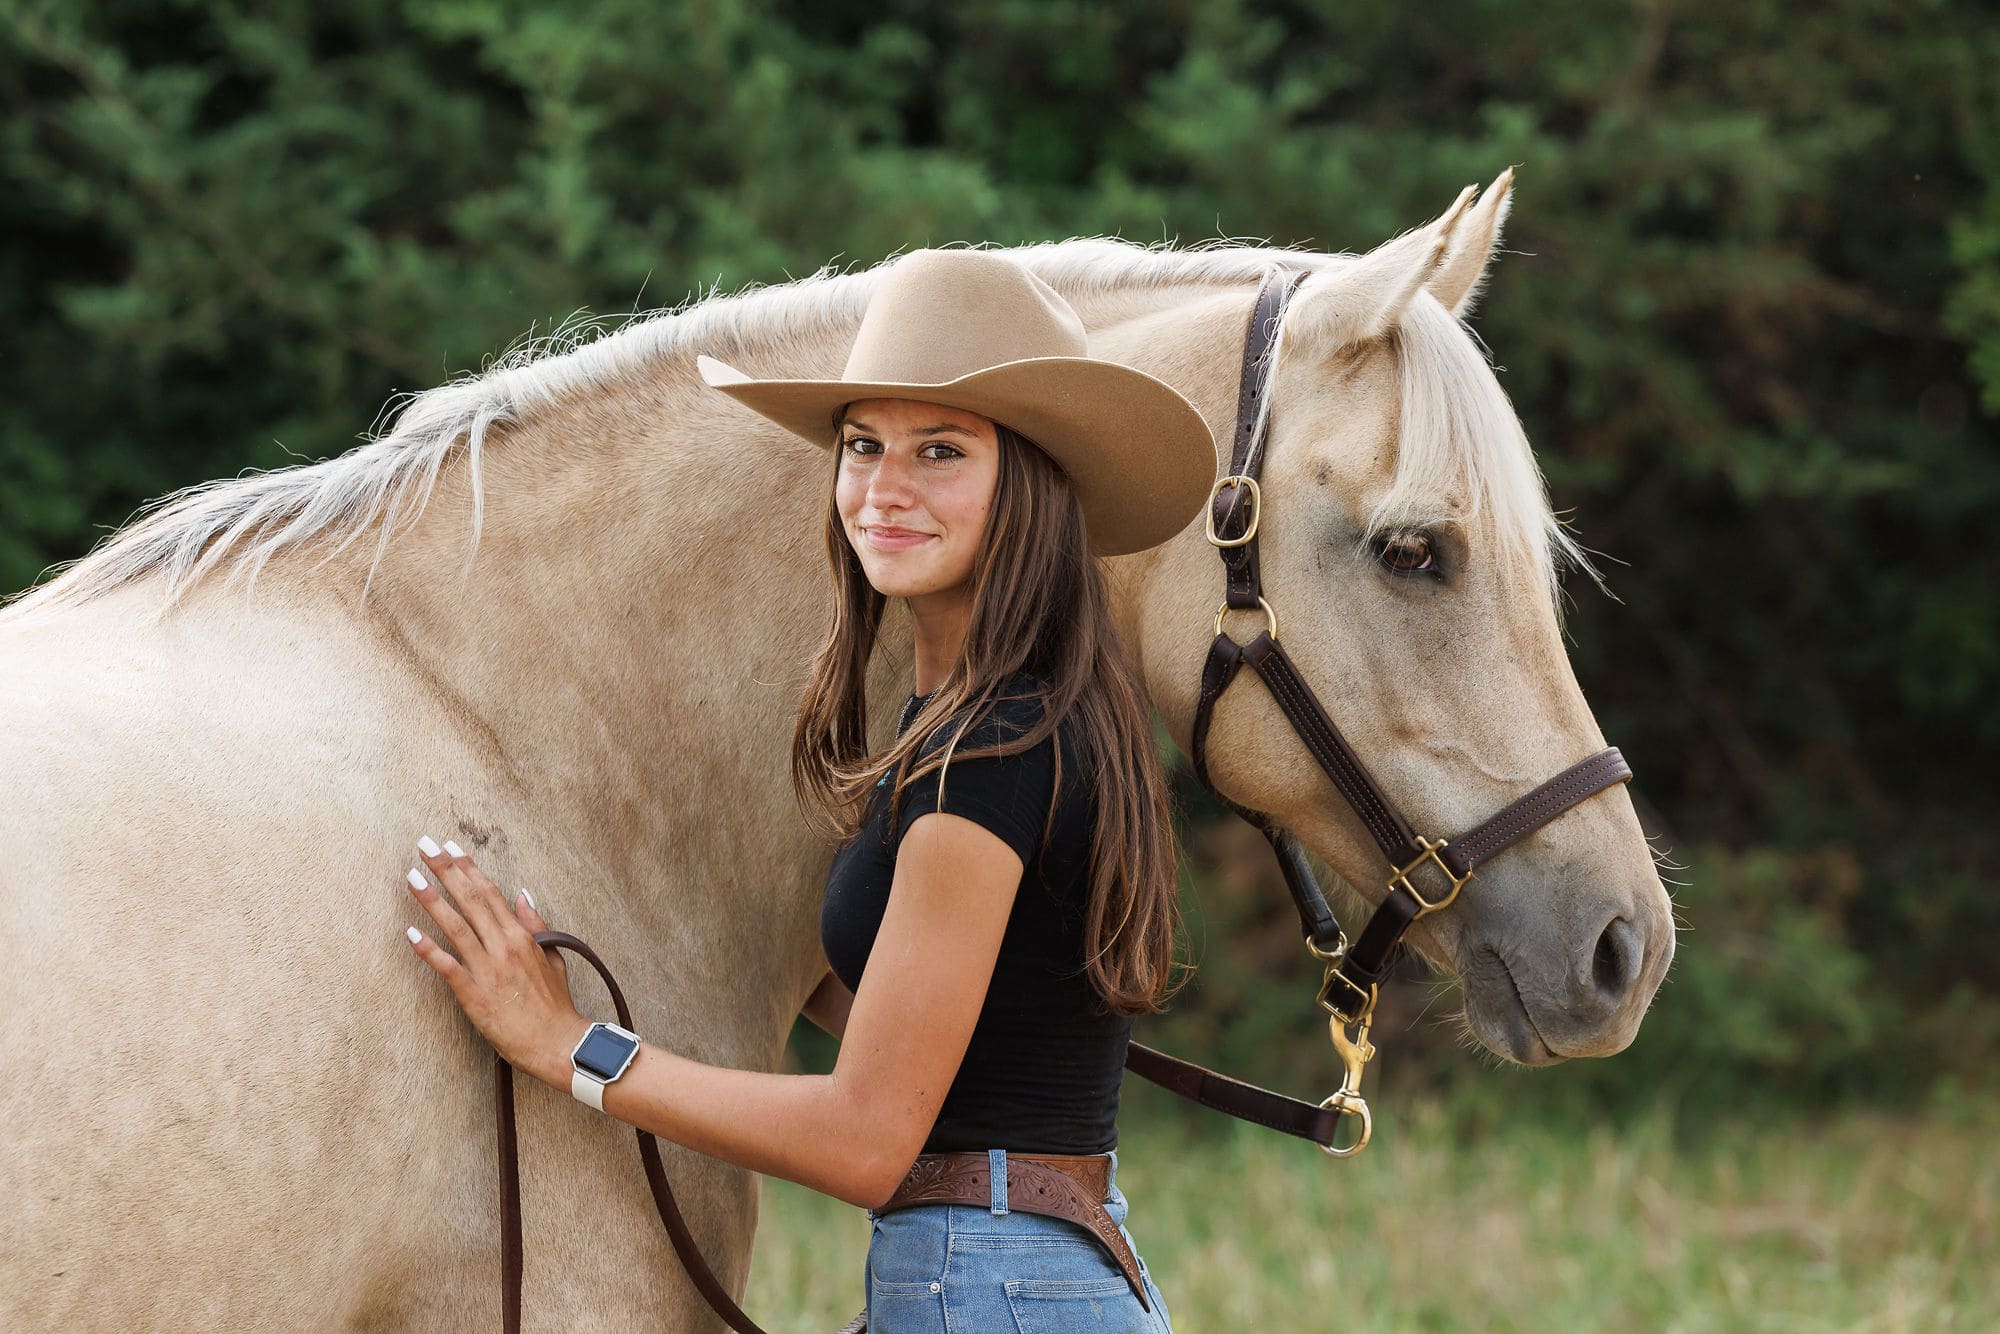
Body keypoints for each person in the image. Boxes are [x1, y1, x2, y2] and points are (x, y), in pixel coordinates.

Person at [399, 247, 1218, 1331]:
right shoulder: (1025, 717)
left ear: (1028, 482)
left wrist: (574, 1048)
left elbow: (866, 1138)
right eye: (863, 444)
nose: (884, 488)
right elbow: (959, 1037)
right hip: (1017, 1274)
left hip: (991, 1286)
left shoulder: (983, 761)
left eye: (940, 451)